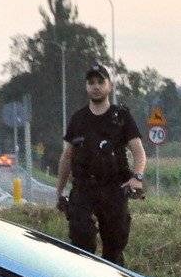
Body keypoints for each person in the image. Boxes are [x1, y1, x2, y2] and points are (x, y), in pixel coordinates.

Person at [55, 63, 147, 266]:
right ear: (86, 87)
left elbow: (139, 153)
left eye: (100, 82)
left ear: (110, 86)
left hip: (113, 188)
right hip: (84, 188)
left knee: (114, 245)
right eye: (91, 82)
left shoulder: (121, 117)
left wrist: (137, 177)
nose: (96, 86)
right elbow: (67, 156)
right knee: (81, 239)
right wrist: (60, 191)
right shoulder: (78, 119)